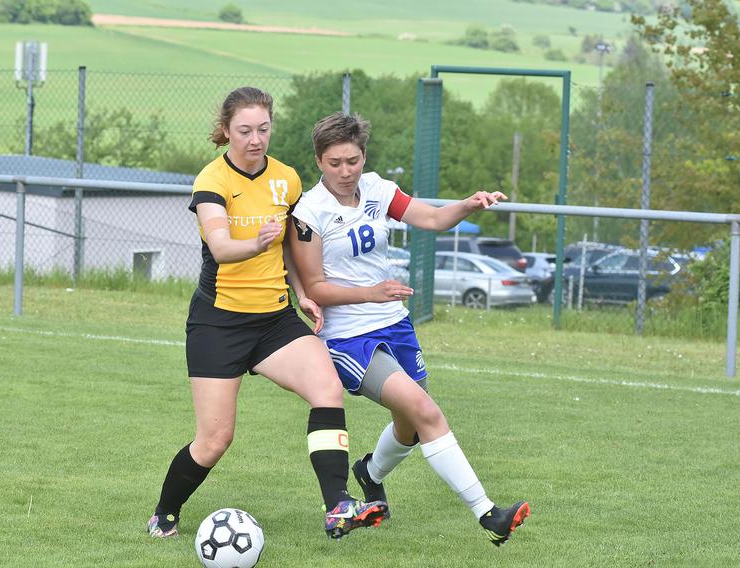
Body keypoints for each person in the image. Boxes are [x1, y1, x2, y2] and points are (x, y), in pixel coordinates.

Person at [146, 89, 387, 540]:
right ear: (226, 130)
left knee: (326, 388)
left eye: (263, 129)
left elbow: (292, 249)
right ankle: (165, 512)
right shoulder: (212, 182)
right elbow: (220, 246)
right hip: (218, 324)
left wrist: (301, 292)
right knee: (215, 440)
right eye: (245, 131)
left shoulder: (287, 179)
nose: (256, 139)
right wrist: (255, 242)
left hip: (274, 320)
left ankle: (338, 505)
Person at [288, 112, 530, 547]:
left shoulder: (378, 189)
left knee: (411, 424)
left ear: (364, 155)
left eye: (353, 160)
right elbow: (315, 289)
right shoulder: (308, 212)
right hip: (349, 338)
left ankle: (370, 472)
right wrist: (371, 292)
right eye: (334, 163)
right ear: (318, 162)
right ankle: (488, 514)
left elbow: (433, 220)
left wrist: (467, 205)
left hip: (395, 323)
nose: (346, 171)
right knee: (426, 411)